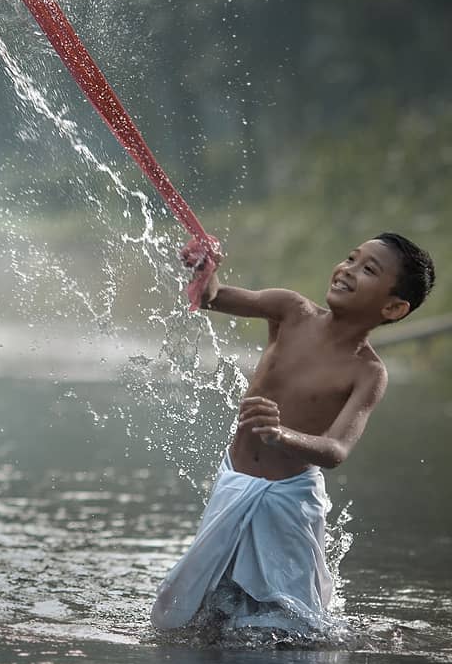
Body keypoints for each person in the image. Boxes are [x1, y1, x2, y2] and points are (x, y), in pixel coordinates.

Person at [152, 232, 435, 634]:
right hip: (234, 481)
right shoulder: (290, 310)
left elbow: (336, 449)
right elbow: (212, 297)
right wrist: (205, 268)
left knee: (291, 623)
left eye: (368, 269)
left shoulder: (367, 372)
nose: (348, 270)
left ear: (392, 307)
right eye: (351, 258)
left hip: (288, 500)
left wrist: (280, 434)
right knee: (206, 609)